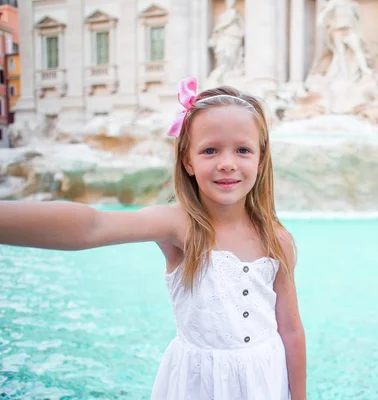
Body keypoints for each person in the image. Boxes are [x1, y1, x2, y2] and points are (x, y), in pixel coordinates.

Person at [0, 77, 307, 400]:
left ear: (261, 158)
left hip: (265, 382)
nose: (227, 163)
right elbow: (92, 226)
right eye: (210, 150)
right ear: (187, 160)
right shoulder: (181, 226)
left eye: (243, 150)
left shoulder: (277, 239)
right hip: (200, 387)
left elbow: (290, 329)